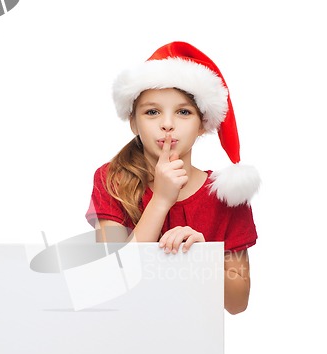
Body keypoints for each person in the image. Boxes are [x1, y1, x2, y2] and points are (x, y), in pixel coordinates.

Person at [85, 41, 260, 314]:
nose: (167, 123)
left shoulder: (227, 195)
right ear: (133, 121)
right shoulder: (111, 180)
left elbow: (237, 304)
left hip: (194, 345)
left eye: (183, 112)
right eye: (152, 111)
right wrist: (162, 200)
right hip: (123, 340)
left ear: (203, 124)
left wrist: (203, 258)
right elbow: (113, 279)